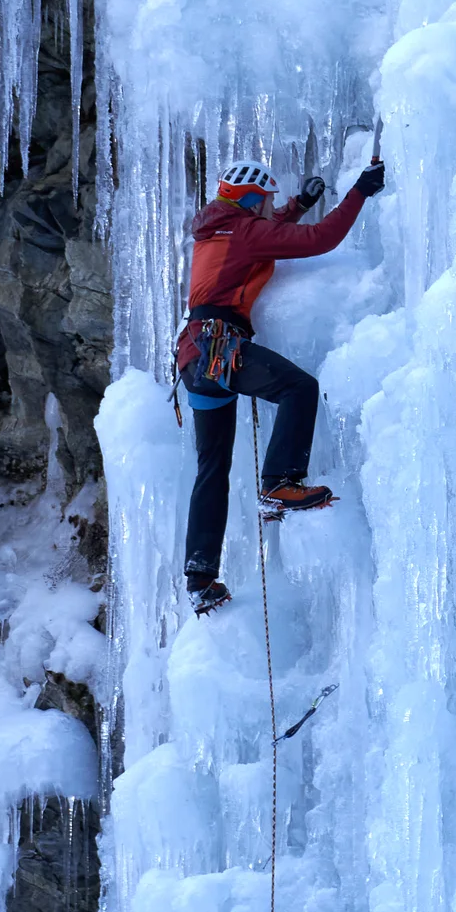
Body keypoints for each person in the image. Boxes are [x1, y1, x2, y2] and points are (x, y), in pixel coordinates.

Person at [176, 151, 385, 616]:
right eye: (267, 201)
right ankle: (280, 483)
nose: (272, 207)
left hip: (195, 359)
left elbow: (265, 235)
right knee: (298, 389)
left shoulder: (220, 228)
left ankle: (200, 576)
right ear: (252, 199)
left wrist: (297, 203)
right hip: (220, 348)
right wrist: (359, 192)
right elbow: (319, 240)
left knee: (212, 469)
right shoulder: (244, 229)